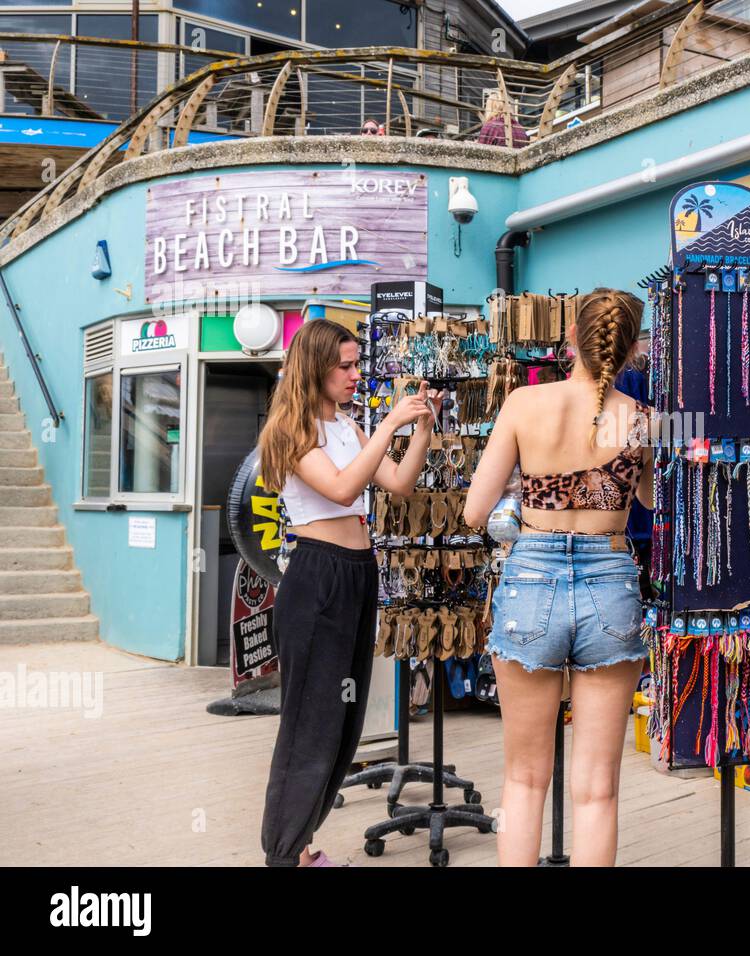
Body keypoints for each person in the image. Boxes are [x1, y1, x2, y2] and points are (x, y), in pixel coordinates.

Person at [464, 289, 652, 866]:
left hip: (530, 581)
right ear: (629, 351)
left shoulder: (524, 403)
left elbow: (475, 513)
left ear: (571, 335)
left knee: (523, 780)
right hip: (611, 585)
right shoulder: (642, 419)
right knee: (597, 789)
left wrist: (531, 497)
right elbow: (649, 499)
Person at [256, 318, 435, 867]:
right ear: (317, 368)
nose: (357, 375)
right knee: (310, 723)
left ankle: (302, 846)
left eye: (358, 363)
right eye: (346, 366)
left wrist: (423, 427)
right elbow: (341, 487)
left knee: (342, 721)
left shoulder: (348, 426)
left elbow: (399, 484)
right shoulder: (293, 430)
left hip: (358, 573)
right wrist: (388, 425)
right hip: (318, 578)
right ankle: (285, 854)